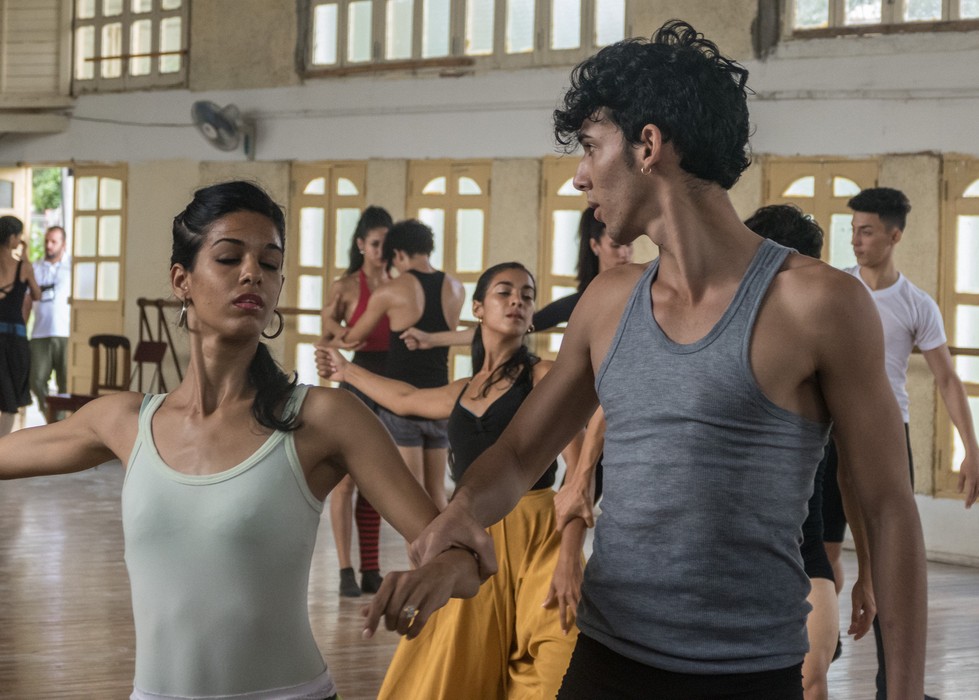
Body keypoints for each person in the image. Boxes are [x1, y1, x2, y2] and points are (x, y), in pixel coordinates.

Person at [405, 21, 927, 699]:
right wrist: (460, 512)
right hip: (604, 666)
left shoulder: (817, 303)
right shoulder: (608, 301)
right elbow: (516, 453)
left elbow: (888, 511)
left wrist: (903, 693)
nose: (578, 177)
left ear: (647, 145)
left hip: (748, 678)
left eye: (591, 148)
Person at [0, 181, 480, 699]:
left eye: (270, 264)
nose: (253, 272)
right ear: (181, 279)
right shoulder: (123, 421)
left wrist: (442, 570)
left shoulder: (324, 417)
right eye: (229, 257)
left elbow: (462, 556)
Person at [318, 262, 585, 699]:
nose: (517, 300)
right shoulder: (463, 390)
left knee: (555, 663)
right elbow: (405, 399)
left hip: (537, 533)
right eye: (504, 292)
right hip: (470, 537)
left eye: (527, 294)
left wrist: (571, 555)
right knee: (459, 672)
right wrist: (346, 370)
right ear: (478, 308)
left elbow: (577, 475)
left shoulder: (544, 377)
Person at [844, 186, 978, 700]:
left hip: (886, 434)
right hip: (830, 432)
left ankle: (893, 687)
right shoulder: (838, 288)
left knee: (888, 563)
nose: (856, 240)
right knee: (827, 552)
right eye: (853, 230)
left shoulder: (915, 303)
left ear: (894, 236)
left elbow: (948, 378)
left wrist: (970, 446)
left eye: (867, 230)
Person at [323, 219, 465, 510]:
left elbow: (353, 339)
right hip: (440, 401)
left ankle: (421, 558)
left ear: (398, 254)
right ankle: (442, 556)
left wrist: (329, 323)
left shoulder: (391, 291)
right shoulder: (456, 288)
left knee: (414, 502)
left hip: (402, 404)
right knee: (437, 495)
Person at [320, 205, 393, 597]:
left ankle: (371, 568)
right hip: (355, 377)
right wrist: (347, 334)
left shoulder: (401, 285)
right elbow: (326, 324)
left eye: (387, 243)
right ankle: (347, 569)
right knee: (346, 480)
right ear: (362, 244)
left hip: (388, 381)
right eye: (376, 243)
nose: (382, 250)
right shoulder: (346, 286)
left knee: (374, 481)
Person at [0, 216, 40, 437]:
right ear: (13, 238)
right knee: (10, 402)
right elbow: (36, 294)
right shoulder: (23, 268)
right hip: (14, 339)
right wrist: (25, 259)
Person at [29, 225, 71, 420]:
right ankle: (51, 416)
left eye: (53, 241)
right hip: (40, 332)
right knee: (36, 378)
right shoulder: (35, 267)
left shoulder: (72, 266)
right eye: (47, 241)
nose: (49, 245)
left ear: (63, 243)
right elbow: (26, 301)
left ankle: (61, 423)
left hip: (66, 331)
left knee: (66, 381)